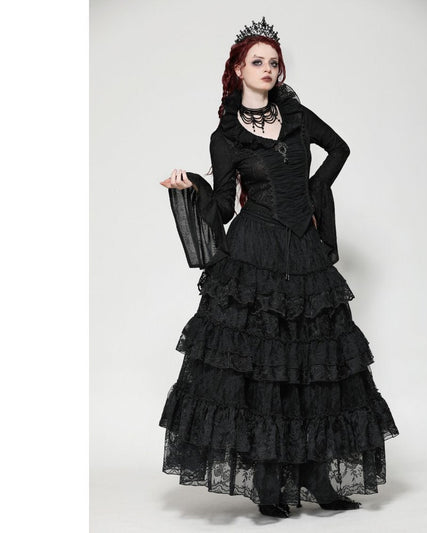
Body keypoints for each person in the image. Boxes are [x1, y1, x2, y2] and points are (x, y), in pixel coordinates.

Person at [158, 16, 399, 519]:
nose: (268, 69)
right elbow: (223, 208)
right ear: (238, 70)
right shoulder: (226, 136)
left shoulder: (296, 115)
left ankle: (316, 478)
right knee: (263, 364)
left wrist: (314, 191)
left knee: (312, 364)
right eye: (258, 61)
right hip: (255, 251)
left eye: (274, 62)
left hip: (303, 250)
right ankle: (268, 481)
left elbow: (340, 149)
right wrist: (192, 187)